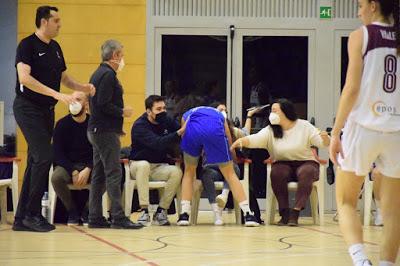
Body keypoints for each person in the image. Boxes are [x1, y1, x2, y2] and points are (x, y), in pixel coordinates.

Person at [12, 6, 95, 232]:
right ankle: (32, 213)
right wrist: (58, 95)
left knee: (35, 160)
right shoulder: (27, 45)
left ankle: (21, 218)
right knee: (44, 156)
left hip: (45, 111)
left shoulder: (56, 48)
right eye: (56, 20)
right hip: (27, 108)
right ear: (43, 22)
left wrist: (82, 87)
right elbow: (25, 78)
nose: (60, 24)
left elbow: (63, 77)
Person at [329, 1, 400, 265]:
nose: (358, 12)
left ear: (373, 5)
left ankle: (361, 261)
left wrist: (336, 132)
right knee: (392, 211)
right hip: (397, 130)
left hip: (364, 127)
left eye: (360, 5)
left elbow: (351, 89)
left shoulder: (362, 35)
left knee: (346, 201)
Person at [232, 98, 330, 226]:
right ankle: (284, 212)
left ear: (286, 112)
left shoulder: (304, 126)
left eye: (275, 111)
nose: (272, 114)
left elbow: (322, 143)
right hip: (282, 163)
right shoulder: (271, 130)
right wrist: (241, 141)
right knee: (277, 172)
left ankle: (296, 211)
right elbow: (256, 139)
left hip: (305, 162)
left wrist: (325, 138)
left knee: (307, 172)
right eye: (271, 111)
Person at [175, 96, 259, 227]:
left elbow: (184, 132)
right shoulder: (218, 115)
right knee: (230, 174)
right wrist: (233, 157)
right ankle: (248, 214)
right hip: (215, 133)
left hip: (192, 133)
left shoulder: (188, 114)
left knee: (188, 172)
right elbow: (229, 139)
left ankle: (184, 215)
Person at [87, 39, 142, 230]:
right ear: (115, 55)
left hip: (96, 129)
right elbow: (103, 104)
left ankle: (94, 216)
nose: (123, 59)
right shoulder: (108, 75)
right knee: (113, 172)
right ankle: (118, 217)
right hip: (104, 131)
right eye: (122, 55)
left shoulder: (97, 73)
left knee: (99, 174)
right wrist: (122, 112)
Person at [129, 95, 184, 226]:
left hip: (158, 166)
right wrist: (178, 133)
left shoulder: (166, 120)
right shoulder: (139, 125)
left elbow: (180, 130)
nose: (163, 112)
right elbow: (157, 143)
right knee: (144, 165)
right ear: (149, 111)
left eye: (164, 108)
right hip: (137, 166)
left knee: (176, 172)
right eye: (158, 109)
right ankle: (144, 210)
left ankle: (161, 210)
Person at [51, 91, 92, 225]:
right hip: (67, 165)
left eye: (78, 99)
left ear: (86, 104)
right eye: (72, 99)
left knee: (107, 175)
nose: (74, 103)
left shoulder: (94, 124)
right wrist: (72, 170)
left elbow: (99, 151)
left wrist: (89, 168)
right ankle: (72, 211)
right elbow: (57, 153)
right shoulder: (62, 124)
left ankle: (88, 210)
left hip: (89, 165)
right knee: (56, 178)